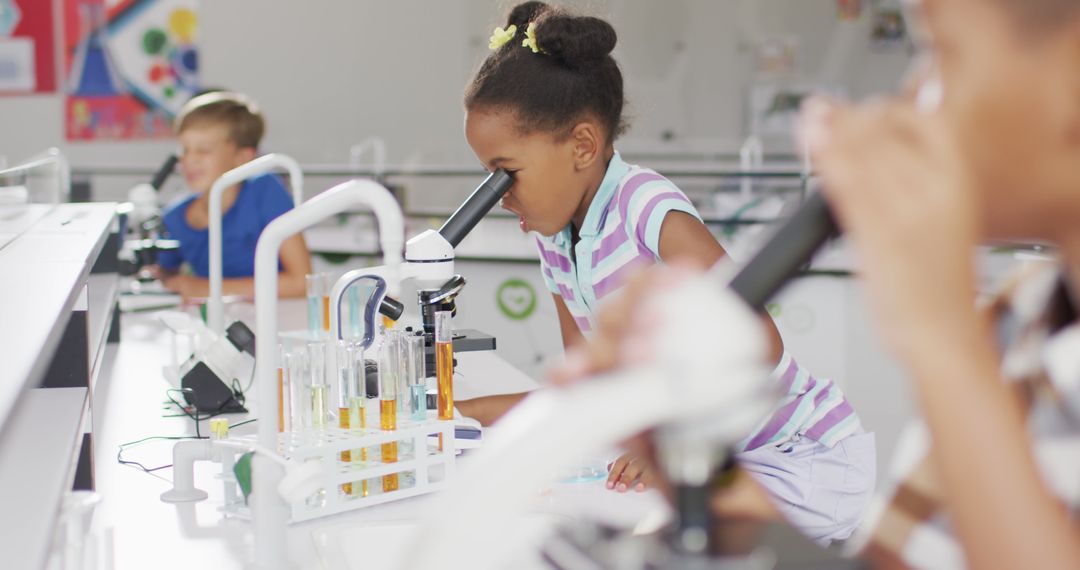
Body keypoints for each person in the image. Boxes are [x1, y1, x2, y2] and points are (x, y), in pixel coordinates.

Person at [558, 0, 1080, 566]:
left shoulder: (969, 350)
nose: (910, 98)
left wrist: (942, 338)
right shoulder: (1018, 321)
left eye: (940, 52)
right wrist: (695, 472)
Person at [457, 1, 875, 544]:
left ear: (582, 145)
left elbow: (755, 343)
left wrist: (669, 442)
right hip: (713, 463)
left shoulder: (646, 207)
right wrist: (461, 413)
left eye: (504, 173)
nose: (496, 197)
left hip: (801, 462)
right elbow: (588, 392)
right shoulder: (555, 242)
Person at [154, 91, 311, 300]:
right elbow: (163, 276)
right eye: (184, 150)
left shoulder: (265, 192)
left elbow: (301, 282)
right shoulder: (175, 217)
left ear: (242, 157)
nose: (189, 160)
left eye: (203, 150)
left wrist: (207, 288)